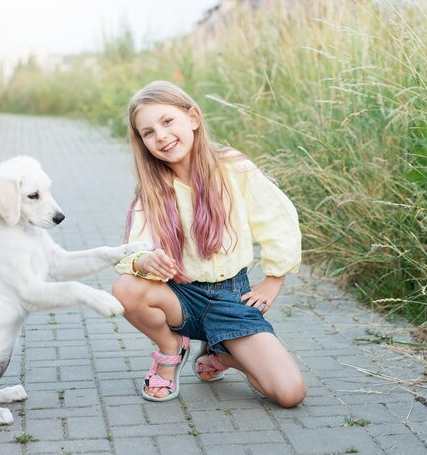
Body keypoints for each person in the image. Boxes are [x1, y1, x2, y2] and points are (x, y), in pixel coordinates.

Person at [112, 81, 307, 407]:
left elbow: (278, 220)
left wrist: (274, 280)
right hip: (180, 296)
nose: (160, 136)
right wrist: (144, 261)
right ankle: (170, 349)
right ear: (142, 143)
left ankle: (221, 356)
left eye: (167, 121)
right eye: (148, 132)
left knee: (289, 394)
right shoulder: (154, 188)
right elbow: (134, 247)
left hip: (231, 299)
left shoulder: (233, 169)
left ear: (193, 118)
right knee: (126, 289)